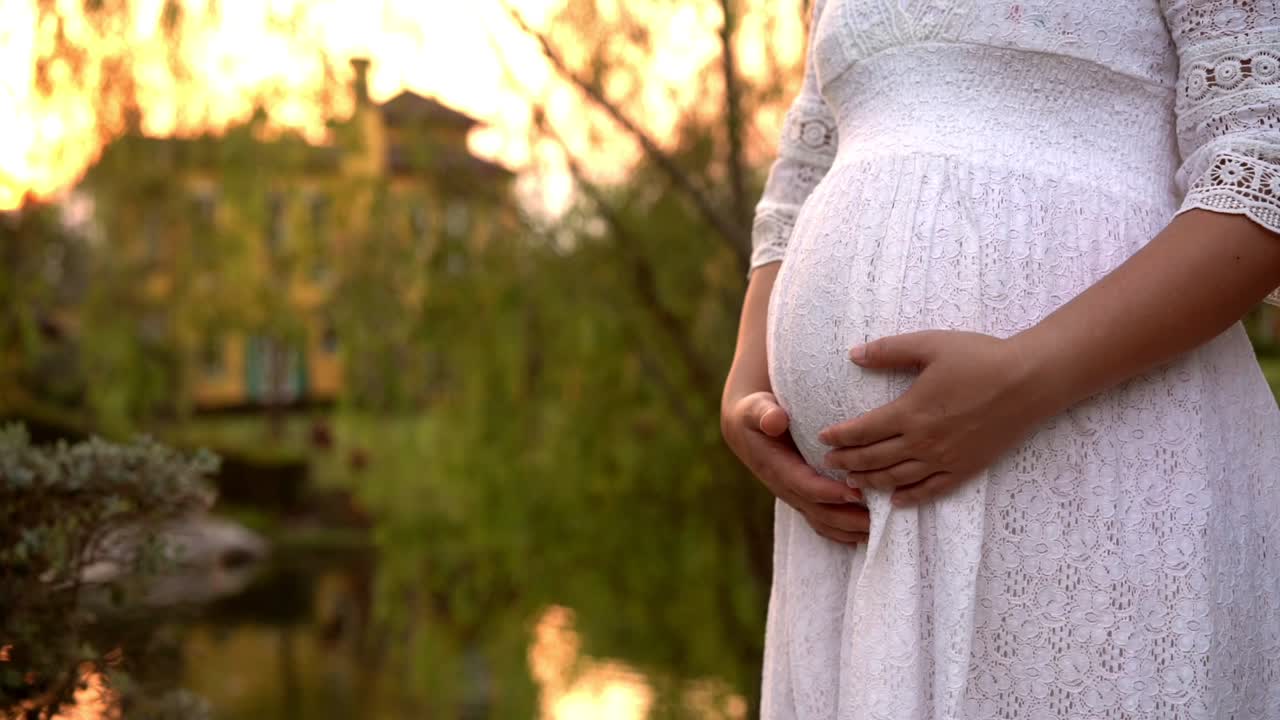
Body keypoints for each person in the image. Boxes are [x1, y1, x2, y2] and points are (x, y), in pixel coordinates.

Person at [720, 1, 1280, 717]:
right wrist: (747, 386)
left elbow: (1262, 165)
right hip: (848, 526)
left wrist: (1030, 374)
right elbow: (799, 180)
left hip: (1102, 459)